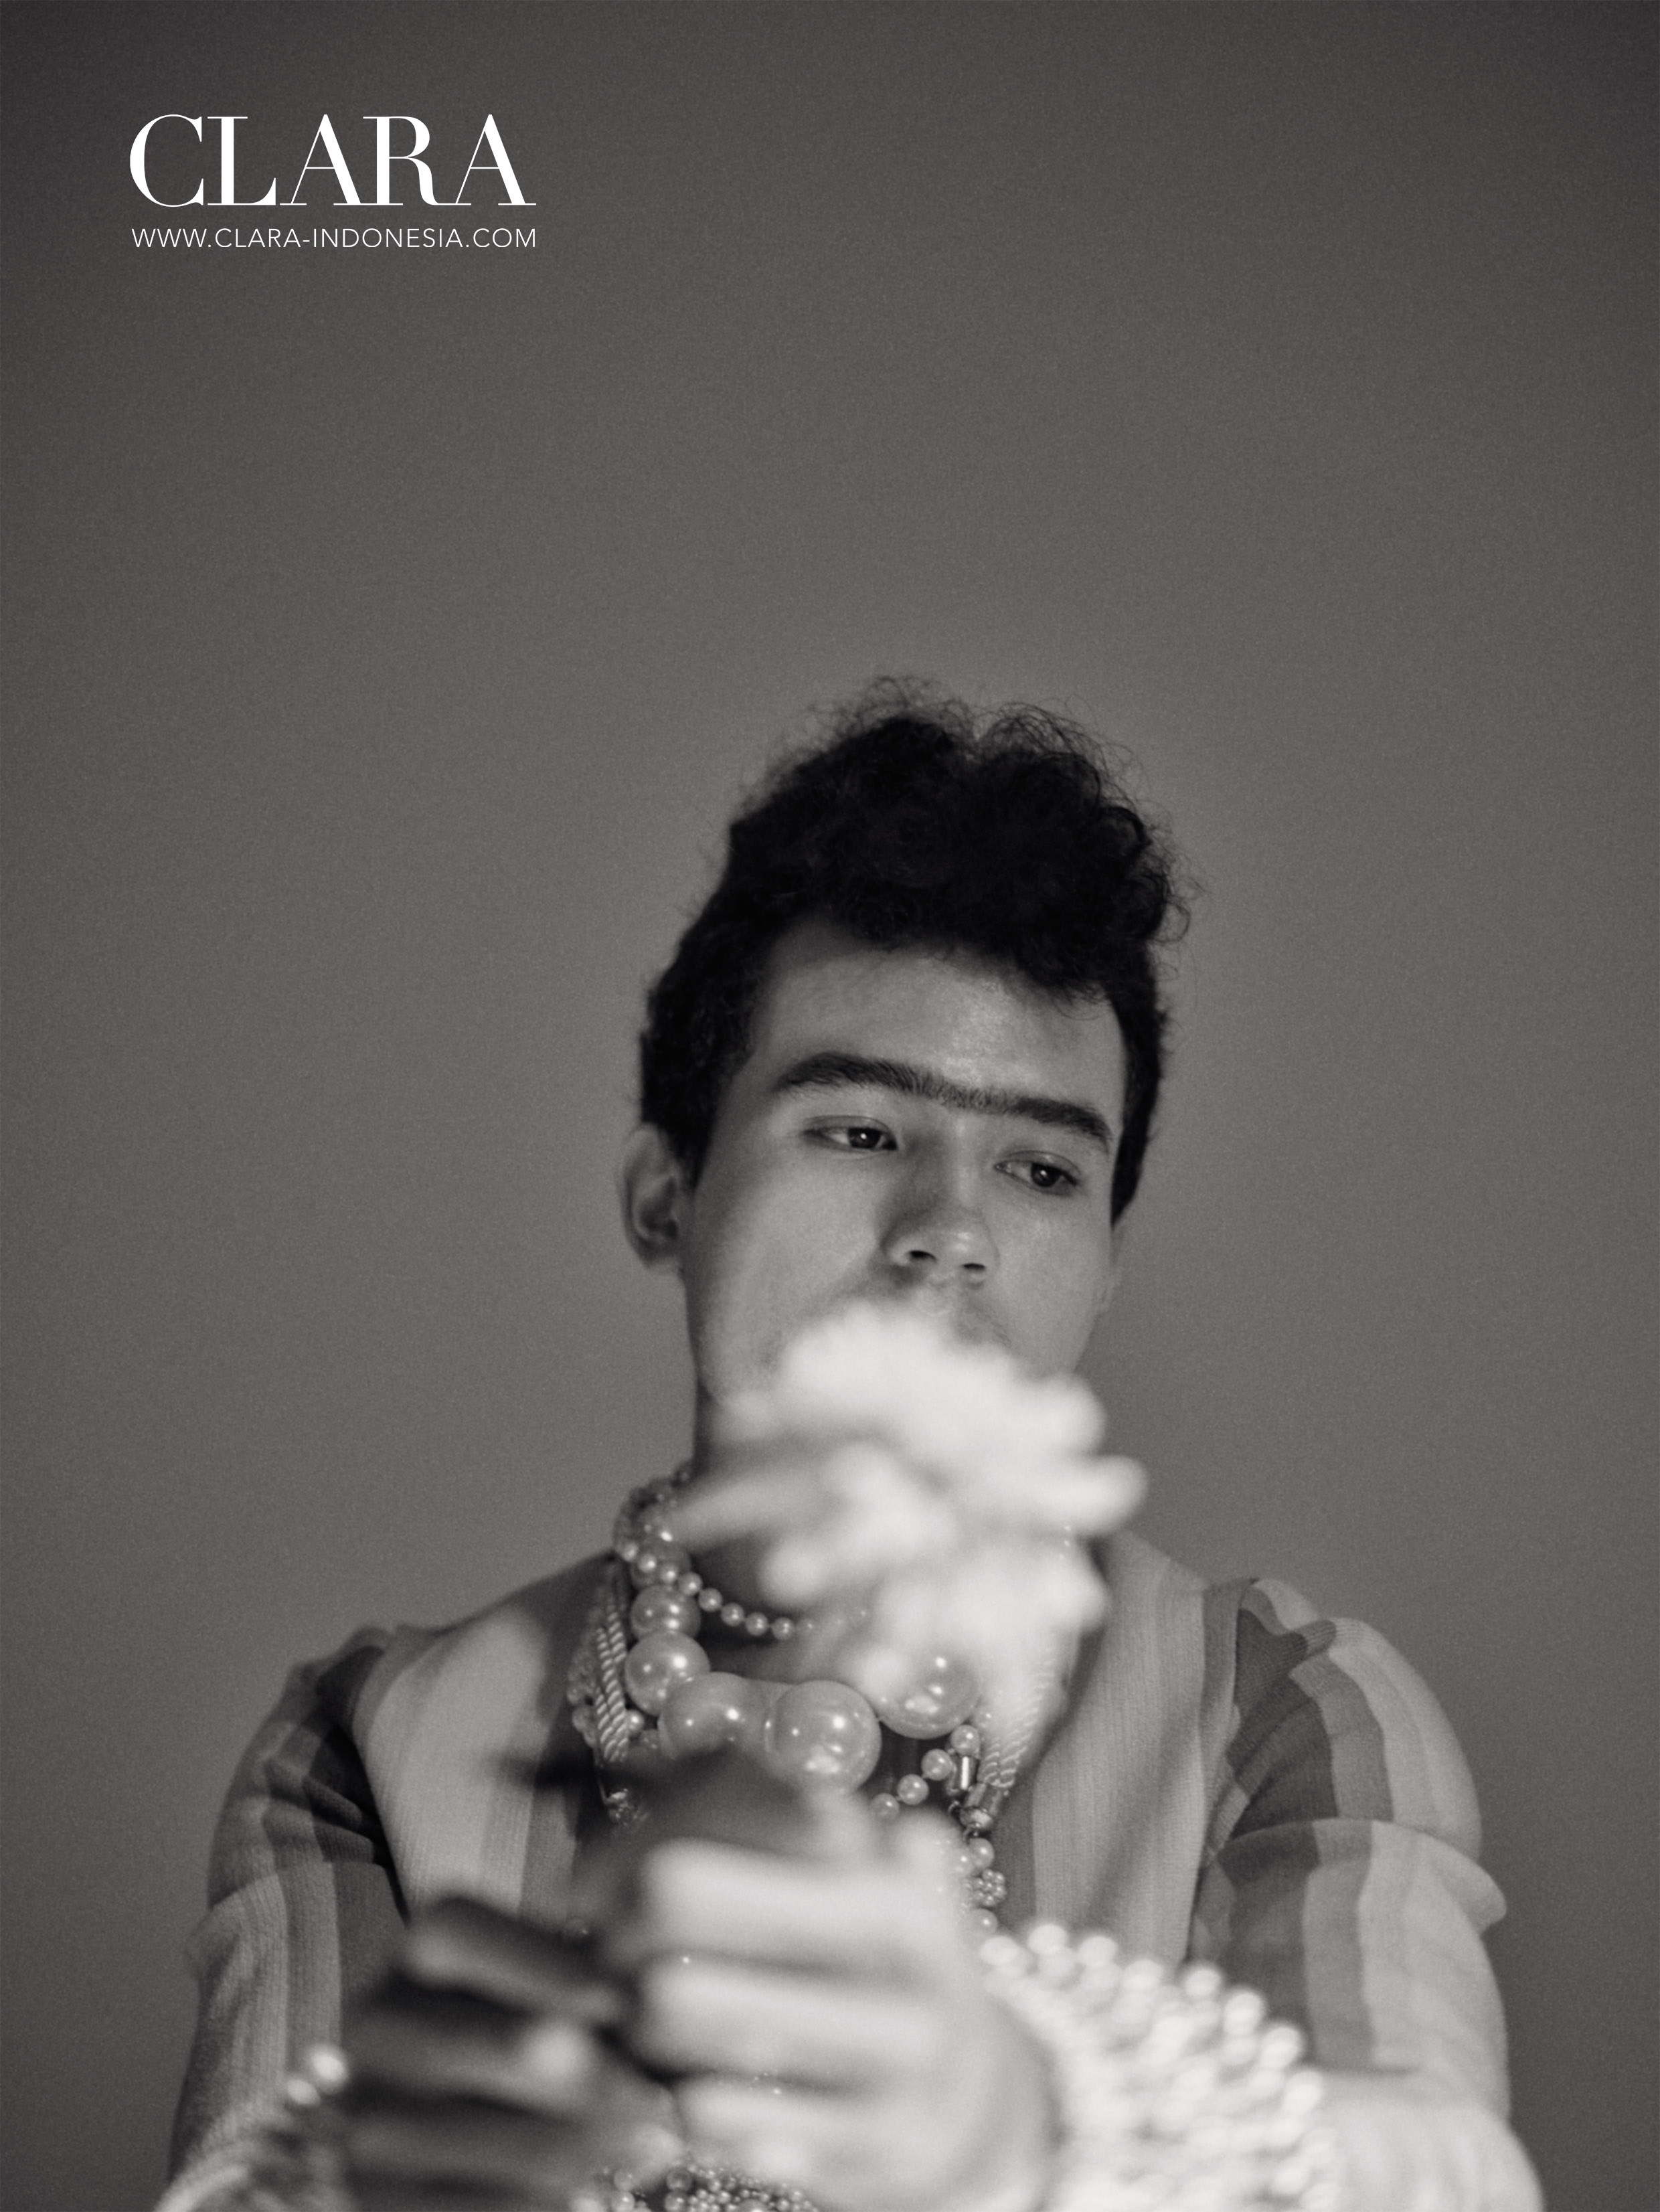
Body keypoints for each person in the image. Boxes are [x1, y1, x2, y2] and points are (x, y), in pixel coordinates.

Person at [159, 689, 1542, 2212]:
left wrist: (1033, 2126)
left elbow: (1440, 2170)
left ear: (1105, 1266)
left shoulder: (1287, 1715)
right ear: (667, 1197)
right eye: (862, 1131)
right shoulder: (367, 1745)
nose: (950, 1231)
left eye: (1041, 1168)